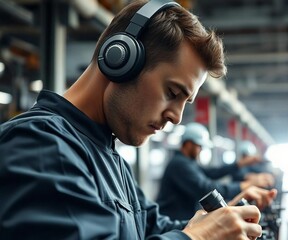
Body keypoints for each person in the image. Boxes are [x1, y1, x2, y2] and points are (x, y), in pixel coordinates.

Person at [0, 0, 271, 239]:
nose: (176, 118)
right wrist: (198, 238)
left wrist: (221, 222)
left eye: (183, 102)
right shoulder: (40, 145)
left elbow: (153, 228)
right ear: (121, 60)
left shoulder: (109, 156)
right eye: (172, 93)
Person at [156, 122, 277, 220]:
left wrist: (240, 163)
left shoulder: (188, 162)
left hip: (181, 219)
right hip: (172, 223)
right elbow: (206, 189)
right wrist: (245, 185)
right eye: (199, 146)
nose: (201, 149)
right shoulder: (179, 164)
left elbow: (212, 173)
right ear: (188, 144)